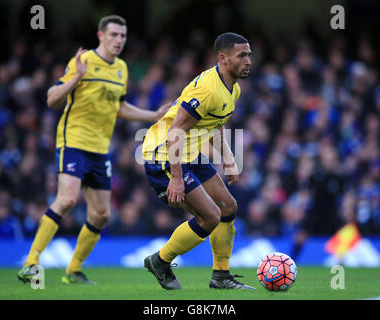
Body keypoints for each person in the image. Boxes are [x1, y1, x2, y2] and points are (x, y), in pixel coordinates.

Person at [17, 15, 170, 284]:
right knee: (66, 199)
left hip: (100, 149)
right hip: (73, 141)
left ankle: (73, 270)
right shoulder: (84, 61)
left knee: (101, 214)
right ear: (100, 36)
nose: (119, 40)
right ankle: (30, 263)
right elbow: (52, 99)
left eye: (122, 36)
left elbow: (119, 107)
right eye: (113, 35)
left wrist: (153, 114)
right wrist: (76, 76)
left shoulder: (121, 68)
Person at [142, 32, 254, 290]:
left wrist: (229, 159)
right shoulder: (207, 90)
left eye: (249, 55)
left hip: (190, 153)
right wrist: (178, 178)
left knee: (228, 207)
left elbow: (214, 126)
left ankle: (221, 277)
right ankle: (160, 261)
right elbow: (175, 132)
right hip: (163, 154)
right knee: (211, 216)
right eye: (242, 55)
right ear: (223, 59)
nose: (248, 60)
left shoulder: (233, 89)